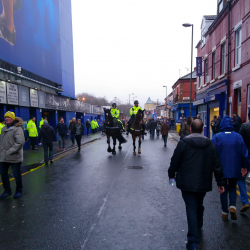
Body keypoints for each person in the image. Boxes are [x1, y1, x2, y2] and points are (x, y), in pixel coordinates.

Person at [168, 119, 225, 250]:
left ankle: (193, 241)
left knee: (191, 207)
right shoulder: (209, 144)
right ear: (203, 130)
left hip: (186, 182)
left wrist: (171, 174)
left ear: (191, 130)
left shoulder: (183, 143)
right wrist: (220, 182)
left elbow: (174, 161)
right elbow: (217, 164)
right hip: (203, 181)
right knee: (199, 204)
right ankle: (198, 226)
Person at [212, 115, 248, 221]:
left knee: (223, 189)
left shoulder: (217, 137)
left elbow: (211, 153)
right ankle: (232, 206)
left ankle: (224, 212)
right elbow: (244, 153)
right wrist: (244, 166)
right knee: (232, 187)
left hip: (221, 169)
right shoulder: (238, 137)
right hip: (234, 168)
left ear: (222, 125)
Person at [0, 110, 25, 199]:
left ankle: (19, 190)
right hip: (4, 156)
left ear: (12, 118)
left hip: (14, 156)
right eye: (5, 117)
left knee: (16, 175)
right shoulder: (3, 128)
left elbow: (20, 142)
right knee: (3, 173)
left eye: (8, 117)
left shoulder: (18, 128)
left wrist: (9, 151)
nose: (6, 118)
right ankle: (7, 191)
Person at [237, 112, 250, 213]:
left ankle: (245, 201)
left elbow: (240, 143)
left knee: (241, 179)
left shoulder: (244, 126)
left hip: (246, 157)